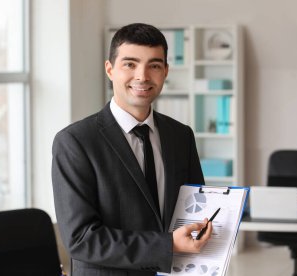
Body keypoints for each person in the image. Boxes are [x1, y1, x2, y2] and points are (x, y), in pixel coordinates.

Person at [52, 23, 213, 276]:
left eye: (155, 65)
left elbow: (195, 208)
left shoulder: (181, 135)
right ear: (110, 69)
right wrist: (167, 245)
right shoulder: (75, 142)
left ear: (166, 71)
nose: (143, 76)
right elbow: (81, 239)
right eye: (130, 64)